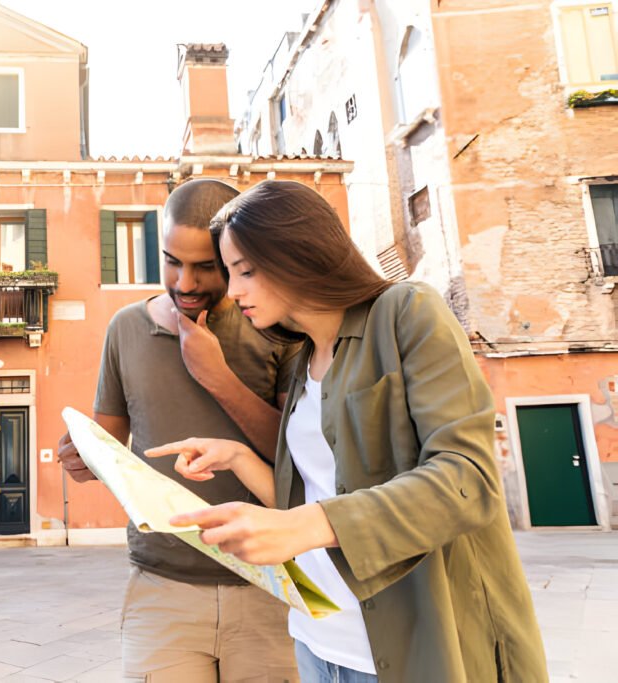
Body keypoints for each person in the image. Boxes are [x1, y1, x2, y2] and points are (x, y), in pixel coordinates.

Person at [147, 180, 549, 683]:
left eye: (246, 270)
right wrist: (239, 458)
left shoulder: (407, 313)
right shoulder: (300, 363)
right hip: (317, 643)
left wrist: (303, 526)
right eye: (230, 273)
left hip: (414, 647)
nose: (234, 291)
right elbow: (318, 497)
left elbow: (468, 480)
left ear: (301, 253)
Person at [58, 178, 301, 682]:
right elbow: (108, 453)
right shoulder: (125, 328)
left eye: (205, 266)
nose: (185, 282)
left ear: (236, 258)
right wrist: (83, 460)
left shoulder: (278, 330)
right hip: (159, 588)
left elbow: (298, 459)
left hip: (269, 585)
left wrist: (218, 378)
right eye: (172, 261)